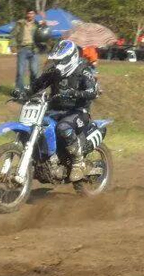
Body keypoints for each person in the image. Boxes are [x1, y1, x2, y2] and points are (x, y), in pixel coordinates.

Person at [26, 40, 99, 181]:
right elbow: (37, 85)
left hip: (78, 111)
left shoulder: (83, 71)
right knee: (38, 126)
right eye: (56, 60)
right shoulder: (54, 72)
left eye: (61, 60)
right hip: (55, 110)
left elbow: (93, 91)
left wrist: (75, 93)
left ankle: (78, 162)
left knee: (63, 127)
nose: (58, 64)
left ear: (71, 58)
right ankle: (46, 160)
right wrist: (24, 91)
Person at [10, 9, 43, 93]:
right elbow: (13, 35)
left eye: (32, 13)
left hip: (34, 49)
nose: (30, 15)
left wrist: (44, 21)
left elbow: (43, 34)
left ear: (34, 15)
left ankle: (34, 90)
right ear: (26, 14)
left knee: (34, 71)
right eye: (29, 13)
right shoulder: (20, 23)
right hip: (22, 49)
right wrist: (13, 45)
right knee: (20, 71)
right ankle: (19, 91)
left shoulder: (37, 24)